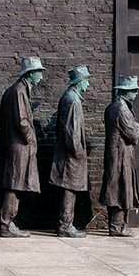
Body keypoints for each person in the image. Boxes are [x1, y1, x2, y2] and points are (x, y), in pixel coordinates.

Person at [0, 56, 44, 238]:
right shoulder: (18, 91)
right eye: (39, 72)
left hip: (15, 144)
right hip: (19, 146)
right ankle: (5, 223)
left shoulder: (19, 90)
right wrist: (32, 139)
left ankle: (5, 221)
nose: (41, 76)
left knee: (15, 184)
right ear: (30, 73)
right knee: (14, 185)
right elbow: (22, 121)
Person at [49, 65, 91, 238]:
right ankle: (65, 225)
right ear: (79, 82)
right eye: (86, 81)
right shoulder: (73, 100)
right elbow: (72, 133)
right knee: (70, 188)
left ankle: (65, 224)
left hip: (67, 154)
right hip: (71, 156)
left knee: (69, 188)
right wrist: (79, 153)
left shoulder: (70, 97)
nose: (88, 85)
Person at [100, 75, 139, 237]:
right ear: (125, 91)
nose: (136, 93)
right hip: (120, 156)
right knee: (120, 189)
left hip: (119, 154)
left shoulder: (115, 106)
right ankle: (117, 226)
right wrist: (137, 126)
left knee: (119, 188)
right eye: (133, 90)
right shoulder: (121, 109)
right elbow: (133, 134)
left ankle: (118, 225)